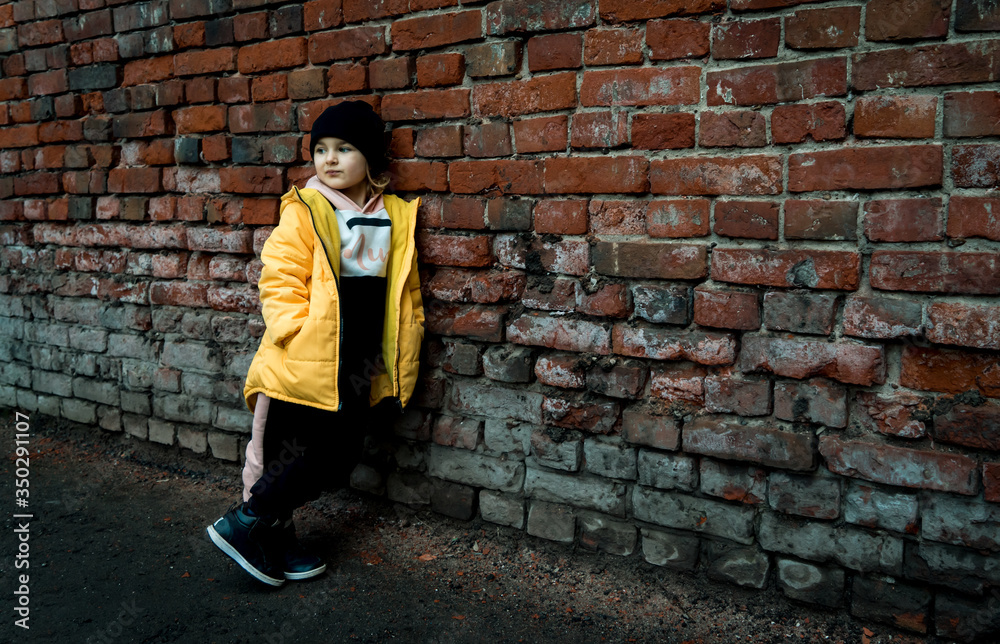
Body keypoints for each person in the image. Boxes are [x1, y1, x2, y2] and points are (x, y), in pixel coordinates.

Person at [206, 101, 424, 586]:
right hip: (306, 355)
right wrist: (294, 332)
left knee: (339, 454)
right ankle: (255, 528)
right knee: (285, 450)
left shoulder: (393, 215)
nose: (330, 159)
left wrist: (405, 352)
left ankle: (259, 529)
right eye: (321, 149)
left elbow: (403, 293)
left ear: (370, 157)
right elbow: (279, 276)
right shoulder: (307, 208)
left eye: (344, 149)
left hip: (359, 360)